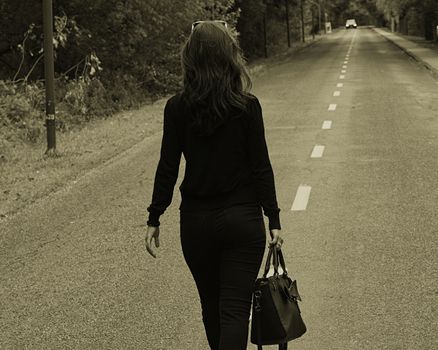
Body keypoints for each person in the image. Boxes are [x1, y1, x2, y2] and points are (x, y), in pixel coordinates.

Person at [145, 20, 283, 350]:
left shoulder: (177, 108)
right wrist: (274, 219)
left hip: (197, 223)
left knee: (211, 308)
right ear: (229, 57)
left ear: (190, 59)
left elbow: (168, 167)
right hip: (242, 222)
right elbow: (261, 167)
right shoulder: (247, 107)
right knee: (234, 311)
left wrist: (154, 217)